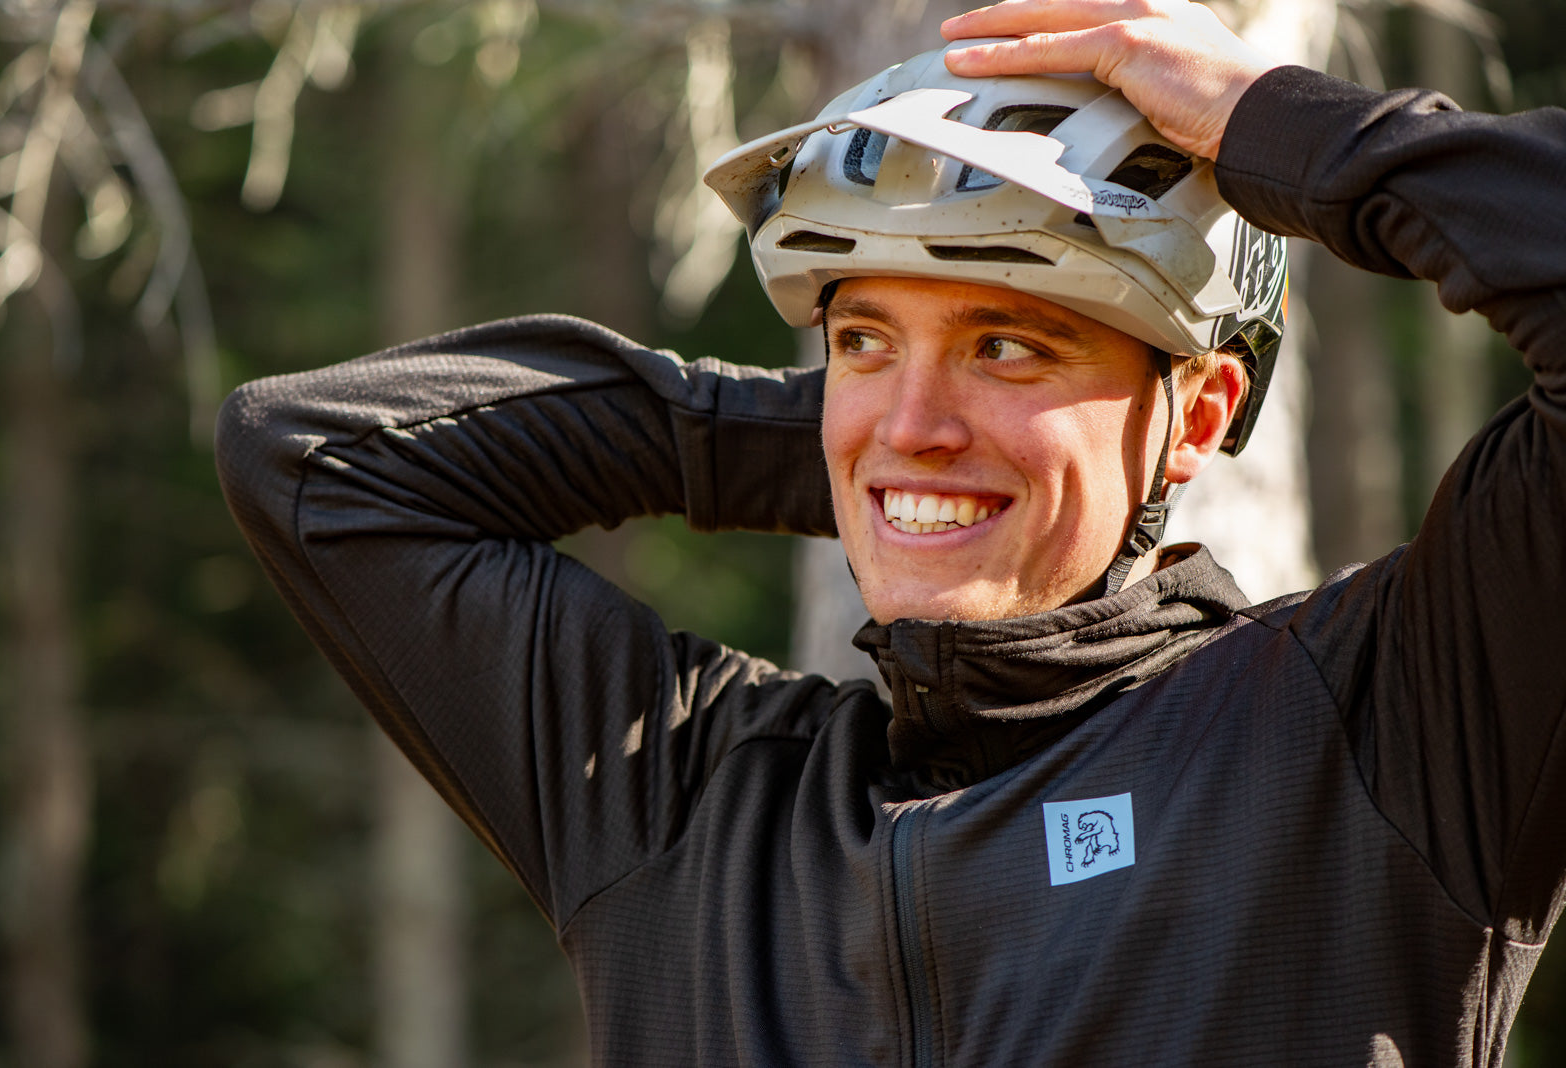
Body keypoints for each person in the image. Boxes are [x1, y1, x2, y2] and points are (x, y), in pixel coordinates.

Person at [215, 1, 1566, 1064]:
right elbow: (314, 459)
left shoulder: (1379, 728)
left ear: (1199, 414)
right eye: (864, 341)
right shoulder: (688, 800)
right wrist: (891, 452)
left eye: (1006, 346)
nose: (913, 417)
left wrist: (1279, 121)